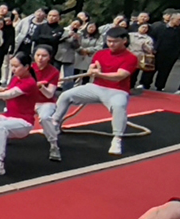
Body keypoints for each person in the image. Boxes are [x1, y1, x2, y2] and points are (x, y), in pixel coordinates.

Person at [52, 27, 138, 155]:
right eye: (109, 41)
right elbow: (93, 67)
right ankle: (54, 123)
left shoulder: (131, 58)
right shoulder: (101, 54)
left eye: (115, 41)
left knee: (119, 106)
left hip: (117, 90)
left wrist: (99, 74)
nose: (111, 44)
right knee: (65, 95)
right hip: (96, 87)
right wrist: (92, 69)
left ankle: (117, 138)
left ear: (124, 40)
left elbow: (120, 76)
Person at [142, 12, 180, 91]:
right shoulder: (159, 28)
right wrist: (152, 48)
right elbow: (151, 38)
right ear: (172, 19)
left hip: (170, 55)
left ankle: (160, 86)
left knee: (164, 72)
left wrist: (176, 54)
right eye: (179, 19)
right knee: (150, 69)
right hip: (156, 52)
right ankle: (145, 84)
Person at [32, 45, 61, 161]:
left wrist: (41, 87)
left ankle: (54, 145)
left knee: (44, 118)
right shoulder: (28, 68)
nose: (40, 58)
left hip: (46, 102)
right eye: (38, 55)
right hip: (29, 101)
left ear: (49, 57)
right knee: (8, 112)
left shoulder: (54, 72)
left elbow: (49, 94)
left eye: (44, 56)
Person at [55, 18, 82, 91]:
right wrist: (68, 35)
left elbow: (77, 46)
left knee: (69, 76)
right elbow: (58, 39)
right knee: (55, 73)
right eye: (74, 24)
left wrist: (76, 39)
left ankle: (67, 90)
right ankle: (52, 88)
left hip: (69, 56)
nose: (75, 26)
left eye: (77, 25)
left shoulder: (79, 34)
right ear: (71, 22)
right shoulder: (64, 30)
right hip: (59, 54)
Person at [129, 23, 154, 89]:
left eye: (146, 28)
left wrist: (146, 46)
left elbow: (150, 50)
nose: (144, 29)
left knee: (135, 72)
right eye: (143, 27)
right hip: (129, 54)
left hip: (140, 56)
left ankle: (132, 85)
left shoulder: (148, 39)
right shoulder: (130, 35)